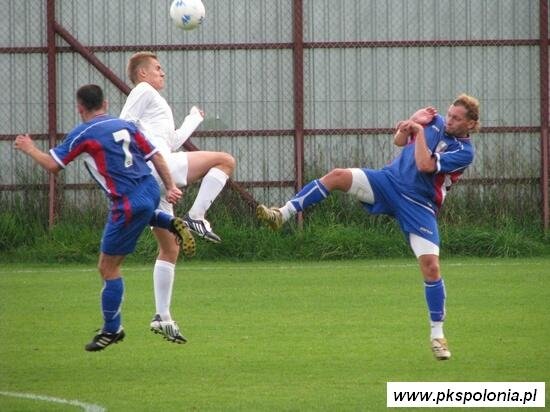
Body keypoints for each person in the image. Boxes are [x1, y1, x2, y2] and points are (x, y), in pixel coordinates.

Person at [257, 94, 480, 360]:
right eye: (450, 114)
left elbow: (424, 165)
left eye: (457, 118)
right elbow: (398, 141)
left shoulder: (464, 152)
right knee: (337, 176)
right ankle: (282, 214)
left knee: (431, 267)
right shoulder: (434, 121)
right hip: (388, 182)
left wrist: (418, 130)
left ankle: (437, 335)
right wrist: (408, 124)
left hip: (420, 204)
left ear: (471, 124)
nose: (450, 120)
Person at [14, 84, 193, 352]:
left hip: (126, 203)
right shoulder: (126, 126)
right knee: (141, 216)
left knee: (107, 268)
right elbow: (156, 156)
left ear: (80, 107)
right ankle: (167, 221)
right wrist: (169, 187)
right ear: (106, 104)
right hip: (149, 191)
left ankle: (112, 329)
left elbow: (53, 166)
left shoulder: (83, 134)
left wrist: (29, 148)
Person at [120, 51, 236, 344]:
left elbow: (170, 141)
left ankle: (162, 317)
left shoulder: (155, 104)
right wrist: (139, 163)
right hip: (157, 167)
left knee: (170, 248)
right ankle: (196, 217)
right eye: (158, 68)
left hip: (153, 179)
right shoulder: (143, 90)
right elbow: (124, 125)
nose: (163, 73)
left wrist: (192, 120)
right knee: (225, 161)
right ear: (142, 74)